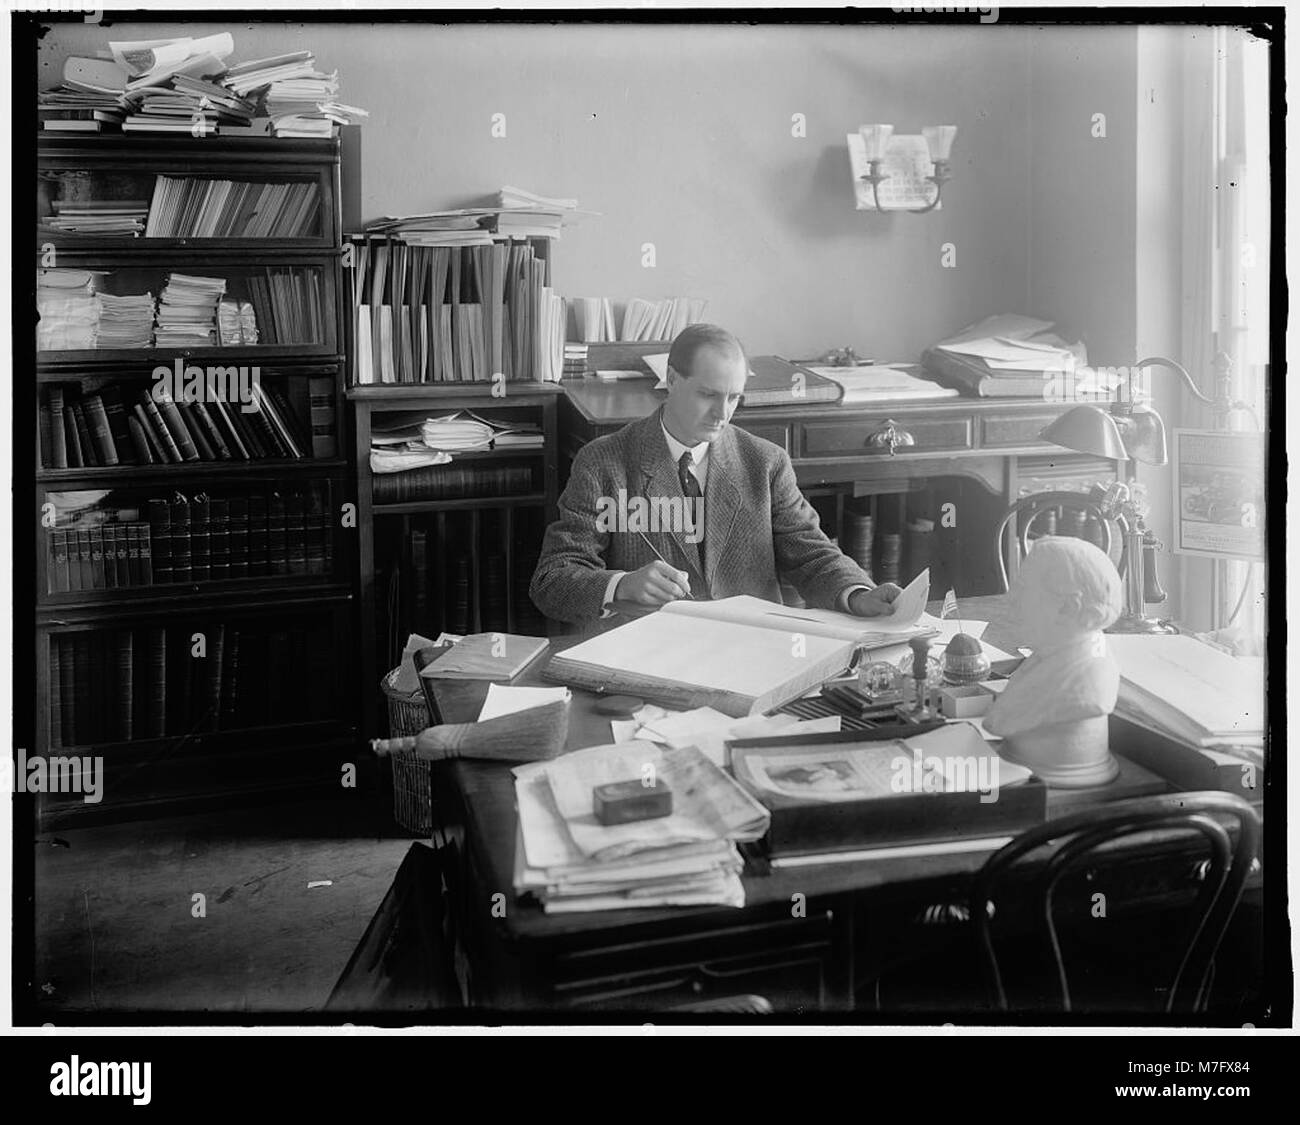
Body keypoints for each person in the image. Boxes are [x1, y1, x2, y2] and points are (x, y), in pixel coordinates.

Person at [530, 323, 902, 625]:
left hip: (752, 652)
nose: (722, 414)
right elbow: (553, 581)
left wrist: (858, 595)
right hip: (650, 658)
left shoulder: (765, 462)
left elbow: (813, 557)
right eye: (708, 395)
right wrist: (621, 585)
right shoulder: (603, 462)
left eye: (734, 397)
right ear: (672, 380)